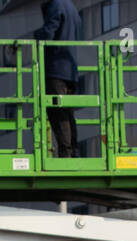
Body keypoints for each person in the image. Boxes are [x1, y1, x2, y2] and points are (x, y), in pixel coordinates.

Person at [35, 0, 82, 158]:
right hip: (71, 69)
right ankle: (73, 150)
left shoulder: (56, 6)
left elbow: (48, 33)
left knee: (58, 112)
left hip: (56, 68)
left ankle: (66, 153)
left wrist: (36, 35)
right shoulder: (71, 7)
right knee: (68, 112)